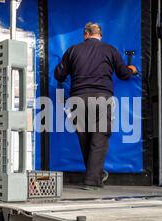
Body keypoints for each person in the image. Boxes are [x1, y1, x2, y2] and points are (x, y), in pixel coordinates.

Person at [54, 22, 137, 188]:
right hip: (102, 98)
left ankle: (95, 176)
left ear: (86, 34)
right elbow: (123, 74)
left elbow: (58, 74)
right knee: (99, 139)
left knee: (85, 139)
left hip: (78, 99)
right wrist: (132, 69)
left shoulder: (72, 50)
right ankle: (92, 180)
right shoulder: (110, 49)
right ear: (100, 35)